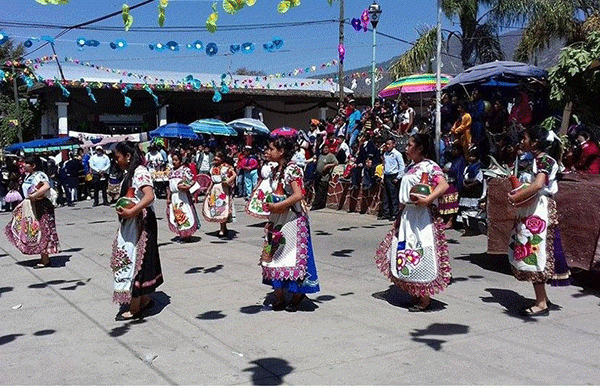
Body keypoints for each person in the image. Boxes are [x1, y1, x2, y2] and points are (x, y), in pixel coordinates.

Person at [375, 133, 451, 312]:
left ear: (420, 148)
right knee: (405, 251)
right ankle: (415, 293)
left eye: (410, 145)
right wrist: (399, 216)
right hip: (408, 215)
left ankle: (424, 299)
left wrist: (428, 199)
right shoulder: (411, 167)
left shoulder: (430, 166)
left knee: (421, 251)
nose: (406, 148)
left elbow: (443, 185)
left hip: (422, 217)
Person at [507, 126, 570, 317]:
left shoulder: (543, 160)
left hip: (538, 210)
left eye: (525, 138)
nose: (522, 142)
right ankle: (542, 298)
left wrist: (516, 198)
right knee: (533, 250)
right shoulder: (539, 159)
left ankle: (541, 303)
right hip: (534, 209)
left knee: (535, 251)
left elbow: (538, 184)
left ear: (534, 142)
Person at [261, 136, 320, 311]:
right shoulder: (275, 170)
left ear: (282, 152)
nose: (268, 152)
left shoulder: (292, 170)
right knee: (272, 256)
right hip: (277, 219)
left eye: (271, 149)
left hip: (293, 220)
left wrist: (277, 205)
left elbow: (298, 195)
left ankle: (297, 295)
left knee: (293, 257)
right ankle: (279, 297)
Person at [111, 141, 163, 321]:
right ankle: (145, 299)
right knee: (136, 261)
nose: (116, 160)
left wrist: (132, 211)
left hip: (141, 224)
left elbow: (149, 196)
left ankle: (135, 308)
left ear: (127, 156)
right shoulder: (131, 173)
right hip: (135, 222)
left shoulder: (140, 172)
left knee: (136, 263)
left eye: (118, 157)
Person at [5, 155, 60, 268]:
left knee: (43, 231)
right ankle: (43, 256)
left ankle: (45, 259)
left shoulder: (39, 175)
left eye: (26, 163)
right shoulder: (28, 176)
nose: (23, 165)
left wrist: (33, 195)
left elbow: (46, 187)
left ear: (33, 165)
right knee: (32, 229)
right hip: (32, 205)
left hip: (41, 205)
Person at [166, 152, 200, 242]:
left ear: (180, 161)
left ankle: (187, 235)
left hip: (183, 196)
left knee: (185, 213)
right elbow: (169, 186)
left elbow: (192, 180)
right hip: (174, 197)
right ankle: (182, 234)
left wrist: (186, 186)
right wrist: (168, 198)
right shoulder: (170, 171)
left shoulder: (185, 170)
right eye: (173, 160)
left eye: (176, 160)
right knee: (177, 215)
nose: (174, 162)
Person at [202, 151, 237, 238]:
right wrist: (208, 190)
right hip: (215, 189)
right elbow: (212, 180)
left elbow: (234, 174)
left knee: (222, 207)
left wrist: (228, 181)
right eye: (215, 156)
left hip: (223, 189)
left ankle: (222, 228)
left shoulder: (226, 167)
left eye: (218, 157)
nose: (216, 158)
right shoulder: (213, 167)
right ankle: (223, 227)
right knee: (216, 208)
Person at [379, 137, 405, 221]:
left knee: (393, 196)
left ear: (394, 145)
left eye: (390, 144)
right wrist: (383, 177)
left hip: (394, 176)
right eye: (387, 144)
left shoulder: (397, 154)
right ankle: (386, 213)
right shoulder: (385, 154)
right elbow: (384, 166)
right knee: (386, 196)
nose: (388, 146)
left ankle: (394, 214)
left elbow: (402, 166)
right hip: (387, 175)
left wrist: (398, 177)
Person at [311, 144, 338, 211]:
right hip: (318, 176)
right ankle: (319, 204)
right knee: (317, 190)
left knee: (321, 191)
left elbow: (336, 163)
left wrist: (328, 165)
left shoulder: (331, 156)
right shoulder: (321, 156)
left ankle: (316, 205)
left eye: (327, 148)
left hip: (324, 177)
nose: (325, 149)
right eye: (324, 148)